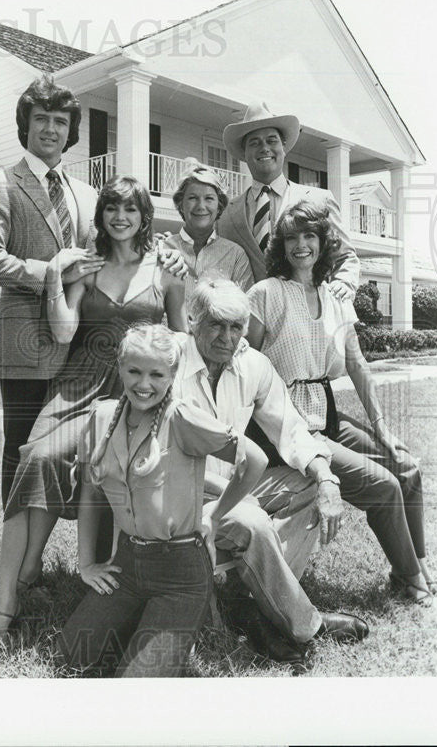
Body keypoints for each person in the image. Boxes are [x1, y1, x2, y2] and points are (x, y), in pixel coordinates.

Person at [0, 176, 184, 641]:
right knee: (36, 456)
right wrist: (56, 275)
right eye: (112, 208)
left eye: (131, 210)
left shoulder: (165, 270)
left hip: (133, 388)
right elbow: (62, 332)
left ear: (144, 217)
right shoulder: (87, 267)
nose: (120, 217)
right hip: (79, 379)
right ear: (101, 216)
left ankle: (26, 573)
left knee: (95, 468)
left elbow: (179, 336)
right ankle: (11, 587)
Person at [247, 201, 437, 603]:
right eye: (291, 238)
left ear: (323, 243)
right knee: (383, 485)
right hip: (285, 427)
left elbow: (356, 362)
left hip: (324, 411)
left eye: (309, 236)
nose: (300, 245)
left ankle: (418, 566)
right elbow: (244, 366)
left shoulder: (336, 295)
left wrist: (381, 424)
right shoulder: (265, 294)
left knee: (406, 468)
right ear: (281, 246)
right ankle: (412, 584)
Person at [172, 274, 369, 664]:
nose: (227, 338)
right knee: (253, 521)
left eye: (236, 327)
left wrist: (327, 478)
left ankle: (249, 600)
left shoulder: (252, 365)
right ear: (193, 321)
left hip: (232, 487)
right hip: (181, 495)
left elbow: (291, 431)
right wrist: (239, 500)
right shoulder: (170, 359)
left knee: (311, 487)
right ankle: (303, 623)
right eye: (215, 324)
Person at [57, 323, 266, 677]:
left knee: (134, 691)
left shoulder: (182, 418)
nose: (144, 384)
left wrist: (215, 516)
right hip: (126, 565)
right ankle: (139, 627)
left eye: (156, 374)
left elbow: (255, 460)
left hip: (180, 573)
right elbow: (91, 492)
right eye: (134, 371)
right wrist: (86, 563)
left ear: (172, 374)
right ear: (120, 367)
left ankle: (165, 632)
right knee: (67, 657)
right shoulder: (101, 417)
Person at [0, 75, 102, 511]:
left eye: (60, 121)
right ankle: (14, 568)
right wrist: (51, 271)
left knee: (64, 451)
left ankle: (38, 552)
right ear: (25, 124)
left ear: (71, 131)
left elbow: (102, 257)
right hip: (25, 340)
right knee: (21, 449)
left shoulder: (86, 193)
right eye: (41, 118)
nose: (50, 129)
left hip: (81, 344)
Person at [217, 102, 360, 300]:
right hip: (248, 323)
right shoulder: (226, 214)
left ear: (283, 147)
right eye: (255, 142)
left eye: (271, 140)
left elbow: (345, 257)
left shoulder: (319, 200)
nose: (264, 148)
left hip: (307, 318)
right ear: (244, 153)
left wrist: (344, 283)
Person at [162, 160, 254, 306]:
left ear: (219, 206)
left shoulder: (235, 255)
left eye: (209, 198)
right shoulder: (162, 249)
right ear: (181, 204)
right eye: (192, 198)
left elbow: (245, 310)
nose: (201, 206)